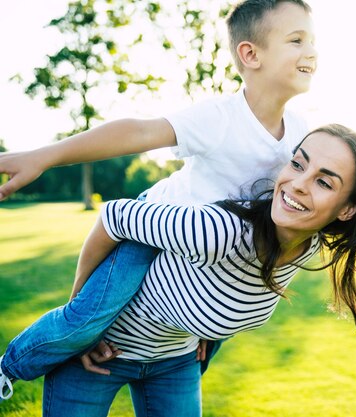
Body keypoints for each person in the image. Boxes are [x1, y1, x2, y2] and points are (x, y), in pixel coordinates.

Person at [0, 0, 317, 402]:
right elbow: (137, 132)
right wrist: (42, 156)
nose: (311, 52)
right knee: (85, 321)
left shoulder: (301, 133)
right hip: (148, 233)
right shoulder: (220, 117)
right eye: (296, 40)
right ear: (250, 54)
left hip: (204, 256)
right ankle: (7, 368)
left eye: (312, 41)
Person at [31, 125, 356, 416]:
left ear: (346, 210)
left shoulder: (304, 245)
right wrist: (82, 326)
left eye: (324, 181)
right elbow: (114, 215)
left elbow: (241, 293)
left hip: (174, 363)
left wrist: (207, 335)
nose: (297, 184)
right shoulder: (218, 230)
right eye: (298, 163)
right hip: (100, 356)